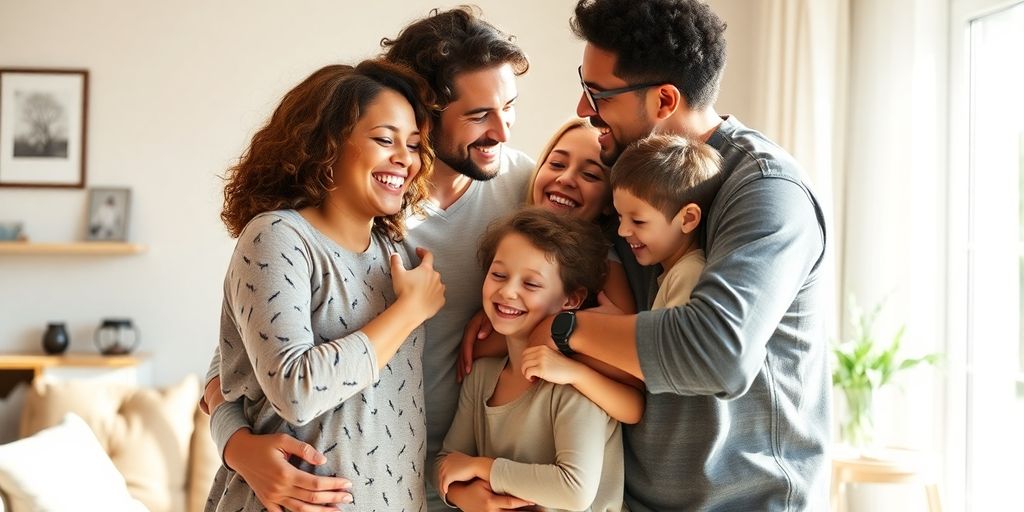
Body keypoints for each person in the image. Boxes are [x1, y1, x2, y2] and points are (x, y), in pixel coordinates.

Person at [202, 7, 537, 511]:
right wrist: (236, 446)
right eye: (477, 114)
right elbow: (241, 367)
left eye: (509, 107)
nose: (503, 132)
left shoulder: (524, 189)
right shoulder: (337, 227)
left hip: (454, 481)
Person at [528, 1, 832, 510]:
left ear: (664, 98)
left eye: (598, 94)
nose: (583, 109)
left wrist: (562, 328)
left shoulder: (764, 190)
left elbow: (717, 352)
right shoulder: (623, 179)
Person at [203, 60, 445, 512]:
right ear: (327, 144)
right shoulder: (277, 236)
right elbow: (296, 390)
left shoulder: (399, 252)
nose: (405, 158)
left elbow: (224, 363)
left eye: (413, 145)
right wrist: (409, 311)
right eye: (384, 139)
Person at [437, 208, 625, 512]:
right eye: (498, 275)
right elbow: (447, 461)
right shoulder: (482, 376)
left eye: (531, 284)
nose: (508, 291)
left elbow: (575, 490)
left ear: (571, 300)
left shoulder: (575, 382)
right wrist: (462, 495)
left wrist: (483, 468)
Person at [610, 133, 722, 309]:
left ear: (688, 219)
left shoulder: (687, 274)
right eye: (619, 216)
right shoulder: (673, 273)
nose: (622, 230)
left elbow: (677, 336)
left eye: (638, 221)